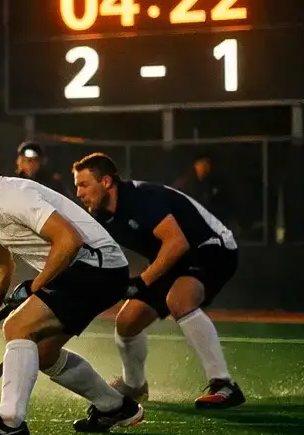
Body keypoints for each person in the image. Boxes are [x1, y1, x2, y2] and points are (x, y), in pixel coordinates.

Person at [0, 135, 143, 435]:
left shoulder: (14, 196)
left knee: (18, 327)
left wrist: (36, 285)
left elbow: (68, 240)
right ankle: (115, 407)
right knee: (44, 354)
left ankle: (10, 426)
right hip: (78, 269)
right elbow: (0, 267)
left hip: (97, 266)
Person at [71, 152, 245, 409]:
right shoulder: (101, 216)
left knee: (179, 299)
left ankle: (224, 384)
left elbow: (177, 242)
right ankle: (135, 386)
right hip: (175, 258)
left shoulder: (140, 197)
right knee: (127, 322)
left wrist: (141, 282)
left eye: (83, 184)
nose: (79, 193)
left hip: (211, 247)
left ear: (106, 182)